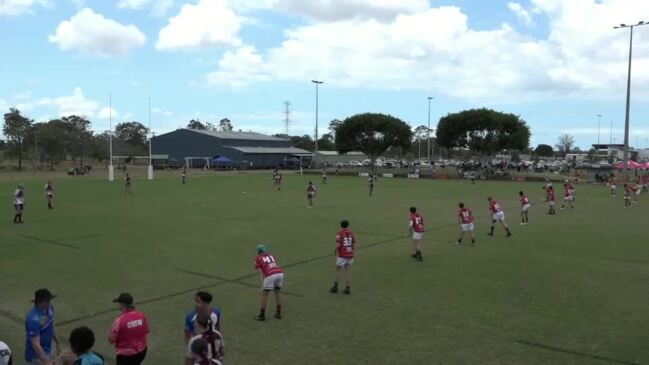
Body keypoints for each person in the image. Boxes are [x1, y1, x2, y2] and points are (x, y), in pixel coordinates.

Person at [108, 293, 148, 365]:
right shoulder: (141, 316)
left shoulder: (119, 321)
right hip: (142, 352)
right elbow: (146, 330)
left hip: (126, 356)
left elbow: (111, 340)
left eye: (119, 303)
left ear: (122, 305)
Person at [25, 288, 61, 365]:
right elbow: (35, 345)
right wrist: (46, 362)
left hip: (48, 350)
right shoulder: (33, 319)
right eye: (47, 301)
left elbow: (51, 326)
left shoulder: (50, 309)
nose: (50, 303)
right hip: (36, 357)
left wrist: (58, 343)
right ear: (40, 303)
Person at [254, 244, 284, 321]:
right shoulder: (271, 256)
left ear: (258, 251)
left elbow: (258, 268)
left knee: (264, 294)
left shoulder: (258, 257)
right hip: (280, 273)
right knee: (278, 292)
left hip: (271, 274)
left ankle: (262, 315)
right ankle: (278, 313)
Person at [330, 220, 356, 295]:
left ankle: (335, 287)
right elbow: (353, 244)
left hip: (342, 255)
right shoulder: (351, 233)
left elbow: (338, 245)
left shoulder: (339, 233)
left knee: (338, 270)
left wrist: (336, 250)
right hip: (350, 254)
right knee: (347, 271)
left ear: (341, 225)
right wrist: (352, 251)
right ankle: (347, 288)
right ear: (348, 225)